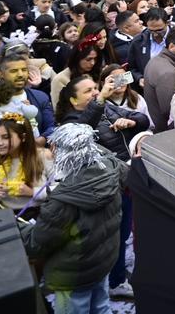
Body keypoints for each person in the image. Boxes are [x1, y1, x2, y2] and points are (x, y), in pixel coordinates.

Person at [20, 123, 127, 314]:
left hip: (73, 275)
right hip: (101, 263)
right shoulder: (112, 169)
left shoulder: (63, 201)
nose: (51, 151)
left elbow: (36, 244)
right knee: (101, 308)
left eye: (54, 146)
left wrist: (20, 228)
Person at [0, 113, 51, 213]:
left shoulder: (43, 156)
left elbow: (62, 189)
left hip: (40, 215)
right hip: (7, 218)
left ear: (23, 137)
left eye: (6, 137)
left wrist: (32, 192)